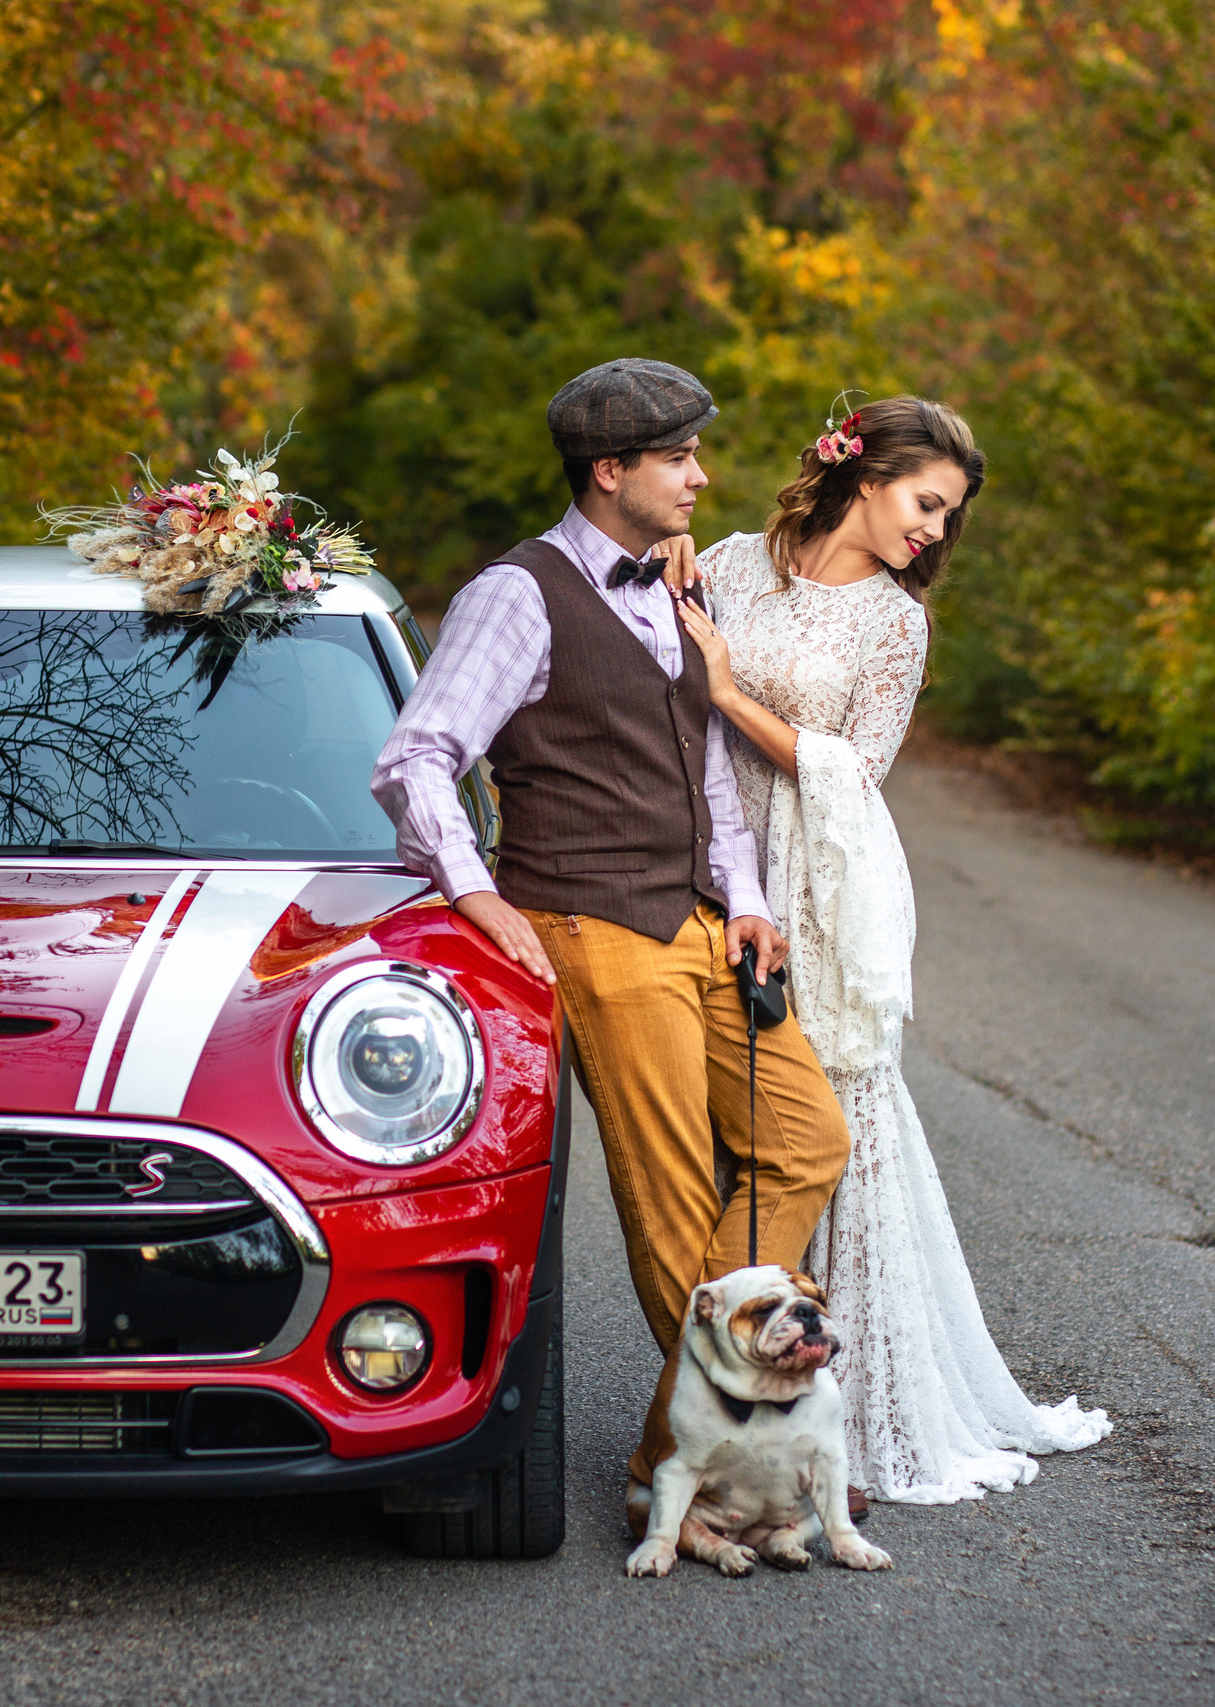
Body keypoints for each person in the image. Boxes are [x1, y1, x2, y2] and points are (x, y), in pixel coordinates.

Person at [371, 357, 856, 1514]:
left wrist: (742, 896)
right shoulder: (517, 593)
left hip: (699, 918)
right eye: (679, 458)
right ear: (610, 471)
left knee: (805, 1141)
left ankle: (668, 1461)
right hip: (590, 923)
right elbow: (415, 757)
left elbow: (704, 767)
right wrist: (473, 892)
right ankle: (744, 1459)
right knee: (675, 1197)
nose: (702, 476)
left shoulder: (680, 587)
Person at [662, 394, 1113, 1502]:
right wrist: (659, 545)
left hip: (818, 878)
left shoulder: (893, 624)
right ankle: (738, 1396)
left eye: (948, 518)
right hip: (710, 860)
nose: (933, 533)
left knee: (830, 1121)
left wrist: (726, 688)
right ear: (862, 479)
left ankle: (854, 1412)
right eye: (926, 503)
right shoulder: (729, 560)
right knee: (737, 1125)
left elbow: (853, 774)